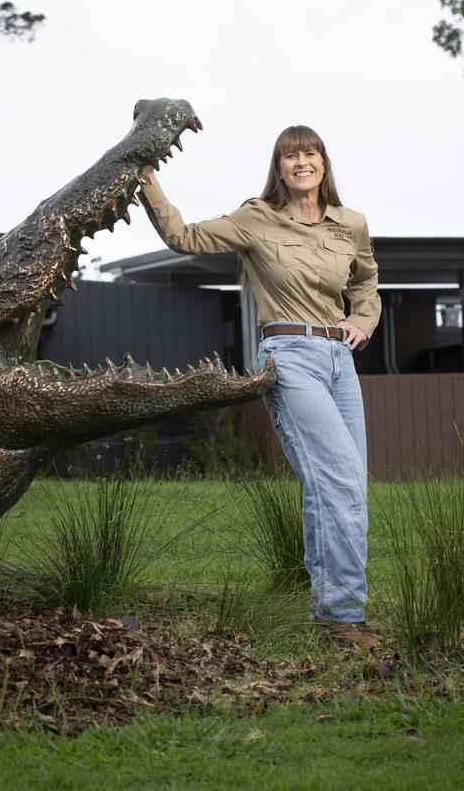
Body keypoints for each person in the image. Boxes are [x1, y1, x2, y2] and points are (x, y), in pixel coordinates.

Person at [139, 125, 381, 637]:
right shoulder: (256, 217)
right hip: (290, 356)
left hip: (341, 360)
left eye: (310, 153)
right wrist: (148, 185)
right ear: (279, 167)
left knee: (342, 485)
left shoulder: (350, 224)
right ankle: (344, 617)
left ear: (323, 162)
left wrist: (362, 321)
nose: (301, 162)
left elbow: (365, 282)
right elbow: (187, 237)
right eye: (290, 156)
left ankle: (330, 608)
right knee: (338, 481)